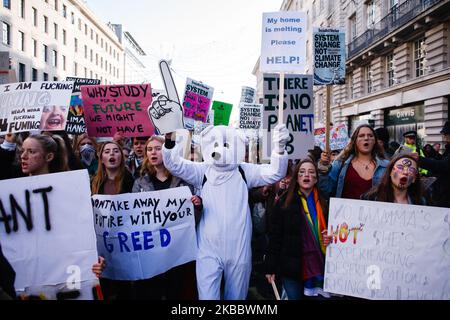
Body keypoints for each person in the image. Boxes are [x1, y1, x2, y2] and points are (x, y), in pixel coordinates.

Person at [132, 135, 202, 300]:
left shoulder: (184, 181)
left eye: (158, 149)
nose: (153, 153)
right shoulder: (139, 183)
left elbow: (194, 218)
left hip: (178, 250)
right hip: (152, 249)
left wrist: (197, 205)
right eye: (150, 149)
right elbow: (135, 218)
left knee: (176, 290)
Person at [265, 159, 331, 300]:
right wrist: (270, 267)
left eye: (311, 172)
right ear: (296, 177)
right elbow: (275, 236)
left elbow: (334, 233)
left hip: (319, 267)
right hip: (291, 268)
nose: (306, 175)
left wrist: (329, 237)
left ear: (316, 179)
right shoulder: (284, 203)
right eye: (302, 172)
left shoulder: (325, 203)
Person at [91, 141, 135, 299]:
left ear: (121, 157)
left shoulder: (131, 181)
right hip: (102, 245)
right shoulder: (93, 183)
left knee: (125, 289)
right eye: (107, 151)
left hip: (125, 244)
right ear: (101, 158)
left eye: (116, 151)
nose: (111, 154)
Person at [318, 124, 389, 199]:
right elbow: (326, 189)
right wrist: (323, 166)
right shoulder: (340, 164)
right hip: (345, 210)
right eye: (361, 136)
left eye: (370, 136)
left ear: (375, 141)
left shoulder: (386, 166)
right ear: (354, 141)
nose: (366, 138)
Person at [415, 120, 450, 208]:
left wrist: (419, 159)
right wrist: (432, 152)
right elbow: (443, 160)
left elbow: (444, 165)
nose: (445, 137)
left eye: (447, 134)